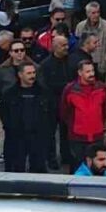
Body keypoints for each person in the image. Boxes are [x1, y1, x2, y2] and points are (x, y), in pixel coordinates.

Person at [60, 61, 106, 171]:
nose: (91, 74)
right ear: (80, 72)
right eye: (88, 71)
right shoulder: (70, 89)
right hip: (77, 136)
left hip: (97, 135)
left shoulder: (101, 88)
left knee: (98, 167)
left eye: (92, 71)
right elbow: (64, 112)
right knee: (78, 166)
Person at [39, 34, 73, 169]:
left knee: (66, 131)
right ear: (55, 47)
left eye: (67, 44)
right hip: (51, 104)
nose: (67, 47)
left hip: (68, 103)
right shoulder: (46, 64)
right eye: (63, 45)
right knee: (50, 133)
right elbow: (44, 85)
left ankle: (66, 155)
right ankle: (51, 157)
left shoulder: (71, 61)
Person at [75, 1, 106, 80]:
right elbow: (77, 45)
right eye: (93, 13)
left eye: (98, 12)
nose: (97, 15)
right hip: (84, 64)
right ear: (87, 14)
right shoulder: (80, 26)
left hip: (101, 64)